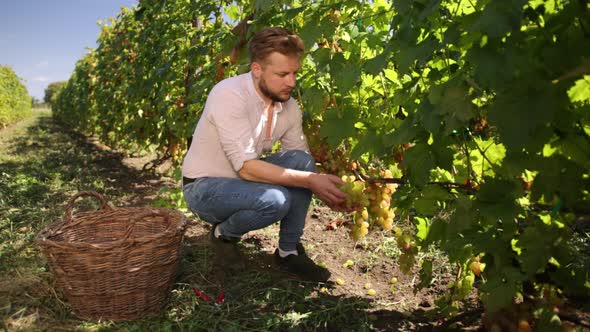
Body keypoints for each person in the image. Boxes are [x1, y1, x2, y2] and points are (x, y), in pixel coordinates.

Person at [181, 27, 347, 282]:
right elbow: (247, 168)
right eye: (282, 74)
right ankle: (223, 236)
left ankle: (288, 252)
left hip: (242, 182)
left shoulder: (289, 106)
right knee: (276, 199)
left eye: (294, 73)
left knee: (303, 162)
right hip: (204, 188)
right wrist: (310, 180)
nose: (291, 82)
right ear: (257, 70)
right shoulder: (229, 94)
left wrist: (329, 191)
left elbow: (301, 161)